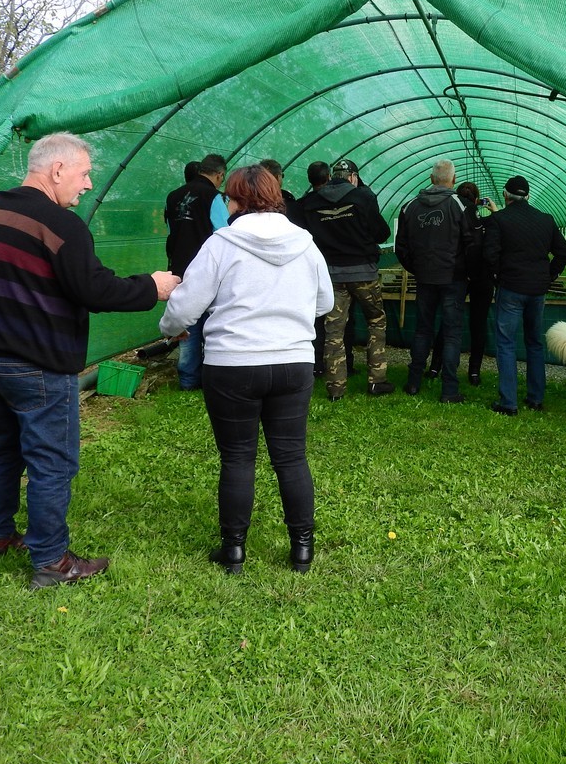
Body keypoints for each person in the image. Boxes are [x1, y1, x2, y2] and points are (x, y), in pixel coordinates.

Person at [0, 132, 180, 590]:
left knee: (7, 447)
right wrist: (151, 287)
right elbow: (92, 288)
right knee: (52, 462)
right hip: (36, 366)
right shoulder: (61, 226)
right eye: (84, 173)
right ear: (57, 170)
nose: (89, 184)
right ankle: (52, 561)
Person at [160, 166, 332, 573]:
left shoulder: (222, 244)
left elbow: (185, 306)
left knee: (237, 457)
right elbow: (324, 302)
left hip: (233, 365)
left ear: (234, 201)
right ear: (277, 198)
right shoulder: (305, 243)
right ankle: (302, 550)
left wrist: (170, 329)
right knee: (291, 457)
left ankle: (234, 550)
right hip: (292, 362)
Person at [301, 158, 394, 400]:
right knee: (376, 321)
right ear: (353, 177)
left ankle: (335, 389)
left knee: (333, 331)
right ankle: (377, 381)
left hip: (332, 276)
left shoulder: (310, 203)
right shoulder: (363, 197)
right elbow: (382, 232)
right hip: (364, 273)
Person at [484, 175, 566, 415]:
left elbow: (489, 255)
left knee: (506, 343)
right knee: (534, 343)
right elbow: (563, 253)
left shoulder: (498, 219)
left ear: (505, 195)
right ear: (528, 196)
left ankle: (508, 402)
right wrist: (549, 275)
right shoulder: (545, 220)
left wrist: (499, 277)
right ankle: (535, 398)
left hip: (511, 288)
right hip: (537, 290)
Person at [396, 159, 472, 402]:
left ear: (431, 179)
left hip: (425, 278)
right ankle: (449, 390)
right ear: (453, 179)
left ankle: (413, 382)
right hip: (453, 279)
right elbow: (472, 244)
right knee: (451, 334)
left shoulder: (410, 207)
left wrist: (417, 268)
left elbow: (401, 247)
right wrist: (464, 271)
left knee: (422, 331)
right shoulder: (459, 206)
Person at [164, 153, 229, 390]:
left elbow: (172, 230)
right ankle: (214, 377)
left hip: (178, 269)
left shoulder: (172, 197)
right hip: (206, 269)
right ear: (220, 175)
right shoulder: (213, 196)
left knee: (186, 327)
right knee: (214, 325)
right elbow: (224, 233)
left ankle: (188, 380)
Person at [428, 181, 494, 386]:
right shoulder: (487, 223)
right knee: (478, 323)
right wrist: (494, 210)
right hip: (481, 278)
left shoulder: (452, 217)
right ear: (477, 201)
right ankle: (474, 372)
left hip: (457, 275)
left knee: (448, 322)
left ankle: (435, 366)